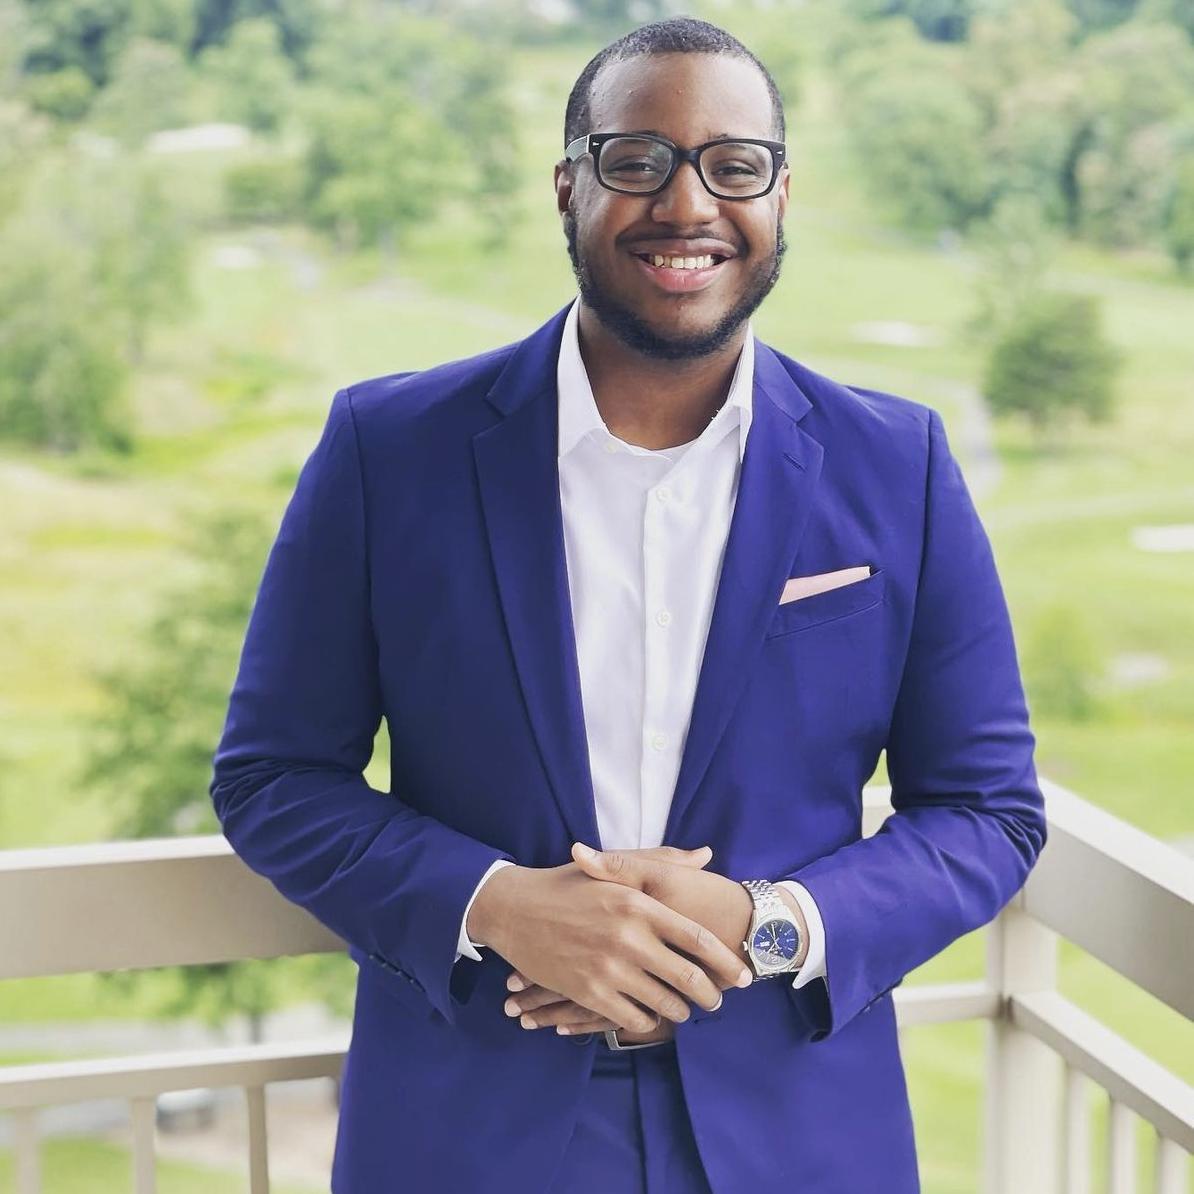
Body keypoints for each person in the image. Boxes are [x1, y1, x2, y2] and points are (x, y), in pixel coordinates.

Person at [209, 16, 1048, 1193]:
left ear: (782, 196)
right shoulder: (386, 451)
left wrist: (762, 925)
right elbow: (273, 776)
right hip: (466, 1132)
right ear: (569, 186)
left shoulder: (896, 464)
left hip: (797, 1134)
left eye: (734, 165)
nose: (687, 203)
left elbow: (987, 813)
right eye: (638, 160)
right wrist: (498, 905)